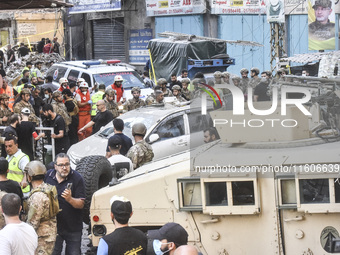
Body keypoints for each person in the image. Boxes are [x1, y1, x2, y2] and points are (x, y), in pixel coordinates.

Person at [45, 153, 85, 255]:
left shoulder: (77, 178)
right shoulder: (48, 176)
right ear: (55, 166)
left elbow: (81, 204)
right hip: (54, 227)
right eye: (61, 165)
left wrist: (70, 199)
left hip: (73, 227)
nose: (64, 168)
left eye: (67, 164)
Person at [26, 161, 57, 255]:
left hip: (42, 238)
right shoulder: (47, 188)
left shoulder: (37, 196)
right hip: (48, 234)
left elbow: (33, 223)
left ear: (29, 177)